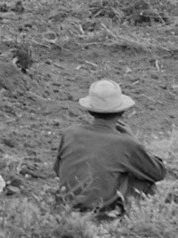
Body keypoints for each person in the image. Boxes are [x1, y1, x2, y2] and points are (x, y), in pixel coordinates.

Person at [55, 79, 166, 218]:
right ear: (122, 111)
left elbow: (58, 171)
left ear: (90, 110)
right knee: (143, 180)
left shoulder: (69, 133)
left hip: (64, 209)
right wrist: (133, 140)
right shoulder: (126, 143)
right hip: (100, 215)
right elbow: (158, 172)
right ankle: (127, 218)